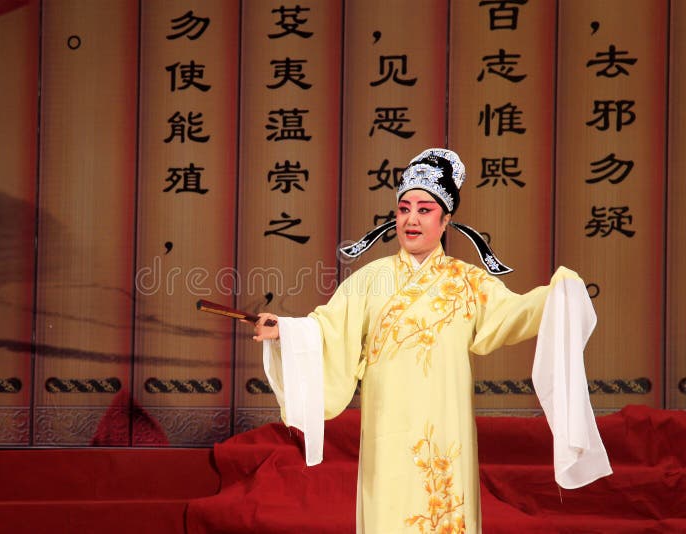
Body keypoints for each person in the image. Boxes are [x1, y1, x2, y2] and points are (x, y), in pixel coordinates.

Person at [252, 148, 611, 534]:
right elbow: (327, 328)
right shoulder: (371, 280)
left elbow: (516, 312)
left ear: (445, 221)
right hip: (387, 435)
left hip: (446, 433)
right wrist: (285, 331)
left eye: (425, 210)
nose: (411, 219)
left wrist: (559, 293)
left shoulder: (468, 282)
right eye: (404, 209)